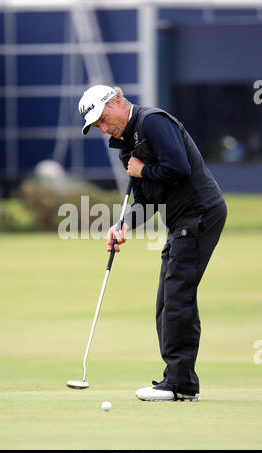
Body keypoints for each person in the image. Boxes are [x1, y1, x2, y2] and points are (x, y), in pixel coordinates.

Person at [78, 84, 227, 402]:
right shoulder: (125, 146)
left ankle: (181, 385)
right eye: (98, 126)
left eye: (104, 119)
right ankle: (177, 379)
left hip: (199, 213)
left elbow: (179, 168)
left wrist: (143, 169)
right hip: (180, 221)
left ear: (117, 101)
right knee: (166, 300)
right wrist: (124, 225)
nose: (104, 129)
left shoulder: (152, 122)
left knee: (177, 296)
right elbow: (145, 200)